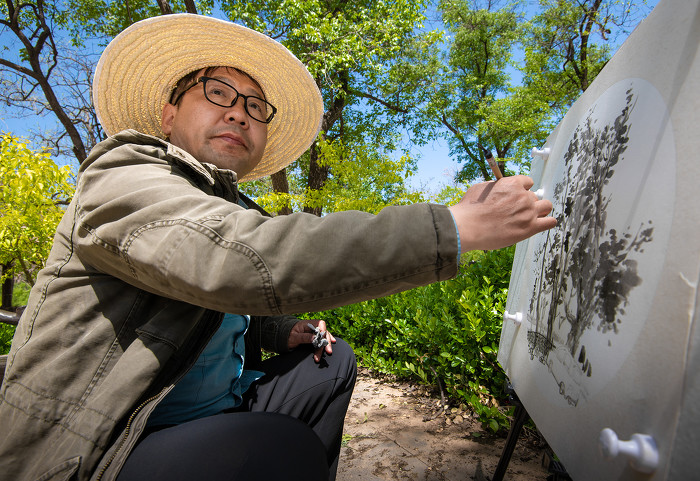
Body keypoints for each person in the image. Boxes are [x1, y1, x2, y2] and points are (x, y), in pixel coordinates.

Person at [0, 14, 556, 481]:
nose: (240, 111)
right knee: (273, 447)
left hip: (216, 408)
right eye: (217, 92)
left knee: (330, 361)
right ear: (168, 114)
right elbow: (231, 259)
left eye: (256, 107)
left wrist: (277, 328)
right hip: (105, 442)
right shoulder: (123, 175)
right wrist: (453, 225)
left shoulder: (235, 207)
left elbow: (207, 307)